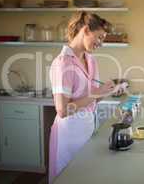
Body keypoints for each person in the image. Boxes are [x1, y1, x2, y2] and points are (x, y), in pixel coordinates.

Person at [48, 11, 117, 183]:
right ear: (85, 30)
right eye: (99, 37)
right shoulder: (63, 63)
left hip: (87, 131)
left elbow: (92, 98)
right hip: (69, 136)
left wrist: (106, 91)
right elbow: (63, 110)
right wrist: (97, 93)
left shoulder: (91, 60)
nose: (101, 43)